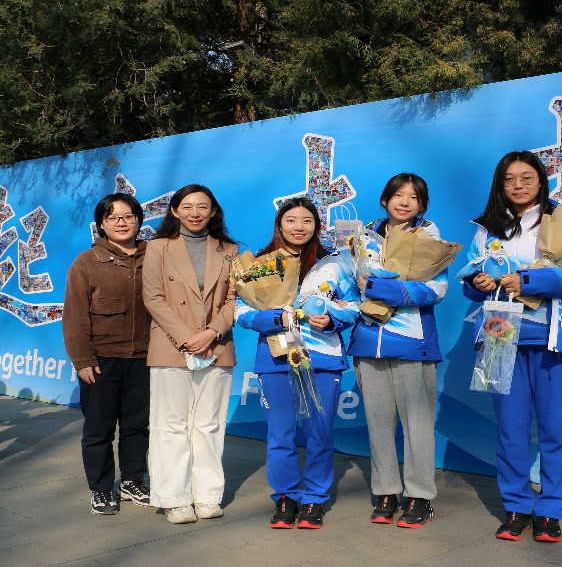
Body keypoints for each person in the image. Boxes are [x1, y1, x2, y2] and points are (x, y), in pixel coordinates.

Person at [461, 151, 562, 543]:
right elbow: (471, 276)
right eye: (509, 179)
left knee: (555, 429)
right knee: (510, 429)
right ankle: (516, 506)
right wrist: (477, 282)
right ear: (500, 185)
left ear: (542, 180)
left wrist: (527, 282)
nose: (518, 185)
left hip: (557, 337)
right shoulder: (487, 228)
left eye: (527, 177)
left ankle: (550, 510)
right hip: (499, 335)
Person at [235, 197, 359, 529]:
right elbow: (240, 310)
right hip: (277, 357)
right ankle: (285, 497)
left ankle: (315, 498)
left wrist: (332, 319)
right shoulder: (262, 262)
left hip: (323, 359)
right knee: (281, 434)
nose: (299, 227)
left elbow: (354, 306)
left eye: (307, 221)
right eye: (291, 220)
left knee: (320, 433)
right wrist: (274, 318)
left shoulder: (334, 263)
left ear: (317, 226)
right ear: (280, 224)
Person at [347, 173, 445, 528]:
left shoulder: (430, 238)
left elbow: (436, 290)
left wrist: (382, 290)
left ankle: (420, 496)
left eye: (414, 197)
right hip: (369, 342)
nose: (405, 202)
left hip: (412, 343)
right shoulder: (363, 236)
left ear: (422, 205)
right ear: (385, 200)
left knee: (417, 425)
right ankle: (386, 491)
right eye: (398, 195)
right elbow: (349, 285)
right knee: (378, 424)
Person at [141, 184, 239, 524]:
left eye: (202, 206)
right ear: (174, 211)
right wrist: (187, 338)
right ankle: (175, 499)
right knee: (170, 425)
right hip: (171, 346)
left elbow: (234, 298)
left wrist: (212, 332)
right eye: (187, 206)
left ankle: (207, 496)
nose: (195, 213)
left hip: (217, 346)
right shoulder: (158, 248)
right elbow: (153, 297)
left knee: (209, 424)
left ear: (213, 211)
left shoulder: (230, 250)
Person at [62, 193, 151, 515]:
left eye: (128, 216)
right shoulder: (87, 262)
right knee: (99, 430)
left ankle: (132, 480)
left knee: (137, 427)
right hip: (102, 361)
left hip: (145, 358)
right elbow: (74, 316)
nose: (121, 223)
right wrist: (83, 360)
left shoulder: (154, 257)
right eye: (112, 218)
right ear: (101, 224)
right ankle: (100, 488)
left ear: (138, 220)